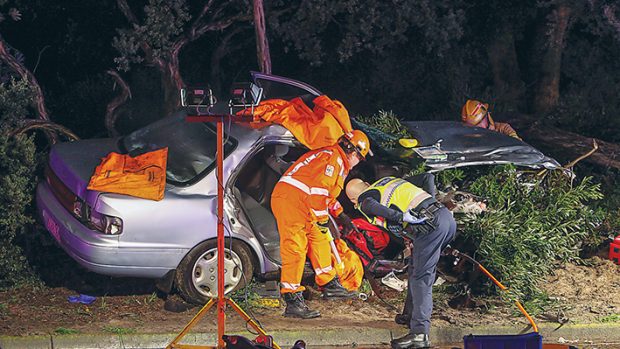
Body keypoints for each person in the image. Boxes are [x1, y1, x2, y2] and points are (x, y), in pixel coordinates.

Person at [345, 176, 456, 349]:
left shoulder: (364, 200)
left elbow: (372, 206)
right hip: (446, 218)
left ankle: (420, 334)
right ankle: (409, 316)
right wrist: (431, 201)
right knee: (416, 268)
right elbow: (427, 176)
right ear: (367, 183)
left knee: (421, 278)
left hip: (431, 227)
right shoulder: (389, 181)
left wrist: (401, 217)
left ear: (353, 200)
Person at [271, 130, 371, 319]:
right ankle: (292, 300)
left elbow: (325, 195)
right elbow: (317, 192)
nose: (358, 162)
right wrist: (323, 220)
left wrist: (342, 216)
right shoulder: (333, 160)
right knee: (295, 248)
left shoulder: (332, 157)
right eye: (359, 157)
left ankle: (329, 283)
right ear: (353, 152)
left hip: (300, 200)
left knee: (320, 239)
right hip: (292, 201)